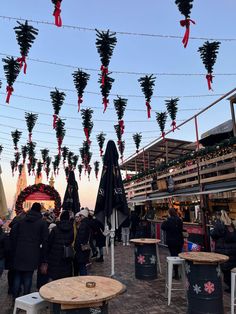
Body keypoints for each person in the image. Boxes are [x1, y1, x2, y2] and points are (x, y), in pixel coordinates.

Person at [10, 203, 48, 299]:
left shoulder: (21, 221)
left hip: (19, 252)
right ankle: (25, 299)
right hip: (33, 253)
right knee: (28, 276)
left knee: (17, 276)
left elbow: (14, 237)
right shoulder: (42, 223)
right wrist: (44, 258)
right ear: (39, 210)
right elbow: (45, 241)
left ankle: (15, 298)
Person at [210, 210, 236, 293]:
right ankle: (232, 285)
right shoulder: (231, 224)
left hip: (224, 250)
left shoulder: (219, 224)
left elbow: (213, 234)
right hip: (233, 251)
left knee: (225, 270)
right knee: (231, 269)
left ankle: (231, 287)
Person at [47, 210, 74, 281]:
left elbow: (50, 242)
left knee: (55, 278)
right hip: (66, 255)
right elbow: (71, 240)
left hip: (55, 255)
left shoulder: (55, 229)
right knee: (65, 277)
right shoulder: (71, 229)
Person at [161, 208, 184, 280]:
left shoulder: (168, 221)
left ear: (169, 213)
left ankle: (176, 273)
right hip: (179, 240)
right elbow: (181, 229)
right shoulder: (179, 220)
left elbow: (163, 227)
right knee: (178, 255)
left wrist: (166, 220)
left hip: (171, 241)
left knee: (173, 255)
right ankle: (180, 272)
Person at [74, 209, 91, 275]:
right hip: (84, 248)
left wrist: (76, 247)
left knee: (82, 267)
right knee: (82, 266)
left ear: (83, 216)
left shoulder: (83, 224)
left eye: (80, 215)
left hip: (81, 249)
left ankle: (83, 281)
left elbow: (80, 238)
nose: (79, 217)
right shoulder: (87, 223)